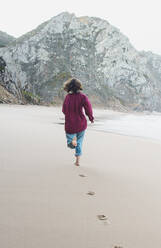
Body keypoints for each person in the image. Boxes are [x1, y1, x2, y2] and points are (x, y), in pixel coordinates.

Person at [62, 78, 94, 166]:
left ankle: (73, 142)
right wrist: (91, 118)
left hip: (70, 125)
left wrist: (69, 115)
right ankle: (77, 161)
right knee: (80, 142)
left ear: (69, 87)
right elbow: (88, 108)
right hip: (81, 124)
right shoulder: (83, 97)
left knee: (71, 144)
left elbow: (64, 110)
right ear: (79, 87)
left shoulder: (67, 97)